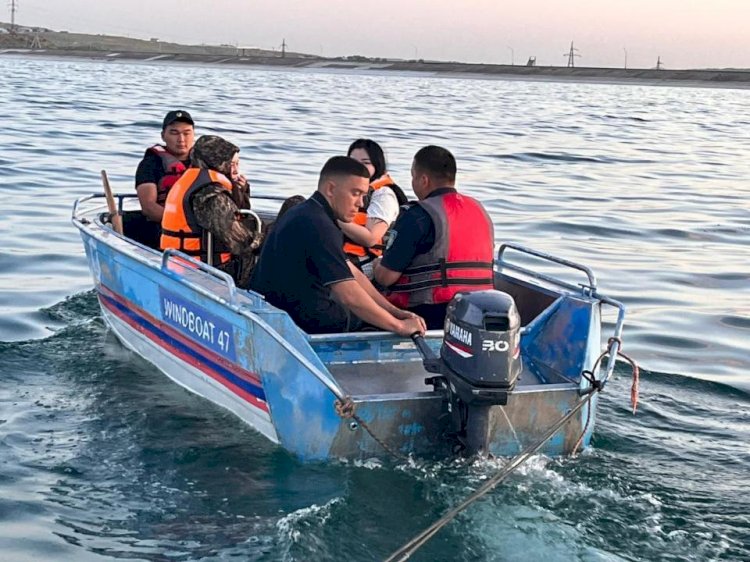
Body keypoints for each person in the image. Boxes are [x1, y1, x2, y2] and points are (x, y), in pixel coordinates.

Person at [249, 156, 426, 337]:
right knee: (374, 324)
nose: (361, 203)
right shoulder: (319, 225)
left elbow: (353, 274)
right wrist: (399, 326)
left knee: (375, 314)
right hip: (295, 318)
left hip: (277, 307)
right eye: (355, 193)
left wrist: (394, 311)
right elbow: (348, 295)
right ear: (331, 189)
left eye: (364, 196)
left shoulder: (308, 211)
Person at [373, 145, 495, 330]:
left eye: (413, 176)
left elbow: (385, 278)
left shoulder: (417, 215)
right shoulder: (479, 210)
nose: (413, 181)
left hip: (427, 314)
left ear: (424, 180)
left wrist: (376, 265)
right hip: (478, 312)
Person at [160, 135, 263, 288]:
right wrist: (272, 237)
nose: (235, 171)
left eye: (237, 164)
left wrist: (241, 193)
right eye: (231, 165)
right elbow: (243, 243)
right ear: (218, 164)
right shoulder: (210, 195)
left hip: (183, 267)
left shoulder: (192, 181)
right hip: (209, 274)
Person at [340, 139, 408, 274]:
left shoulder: (383, 194)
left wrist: (333, 217)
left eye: (365, 163)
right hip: (342, 255)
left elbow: (370, 238)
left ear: (377, 165)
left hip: (366, 262)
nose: (358, 168)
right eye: (353, 162)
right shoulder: (347, 190)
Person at [135, 110, 195, 223]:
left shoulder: (205, 163)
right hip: (163, 230)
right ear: (163, 136)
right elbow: (148, 207)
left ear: (193, 135)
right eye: (174, 133)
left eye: (186, 133)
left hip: (204, 231)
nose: (181, 139)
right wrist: (182, 224)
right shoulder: (150, 164)